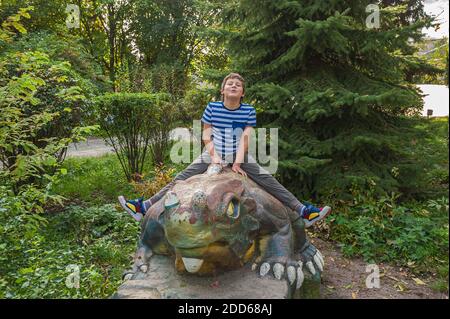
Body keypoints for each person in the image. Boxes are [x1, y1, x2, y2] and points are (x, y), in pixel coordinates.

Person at [118, 73, 331, 227]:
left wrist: (237, 163)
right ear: (222, 90)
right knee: (182, 178)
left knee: (267, 179)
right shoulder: (212, 107)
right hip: (214, 152)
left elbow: (245, 138)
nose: (233, 86)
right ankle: (144, 206)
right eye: (229, 83)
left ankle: (303, 211)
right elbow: (205, 135)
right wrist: (215, 158)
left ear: (242, 92)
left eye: (237, 85)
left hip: (239, 154)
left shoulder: (248, 110)